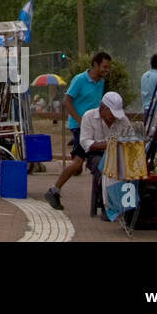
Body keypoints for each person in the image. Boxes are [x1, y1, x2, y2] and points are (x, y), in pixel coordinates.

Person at [45, 51, 112, 210]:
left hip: (95, 127)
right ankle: (54, 190)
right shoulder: (80, 79)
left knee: (81, 163)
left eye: (108, 67)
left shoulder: (101, 82)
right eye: (104, 67)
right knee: (78, 163)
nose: (106, 70)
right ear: (95, 64)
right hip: (80, 126)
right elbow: (66, 101)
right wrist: (81, 120)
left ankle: (101, 197)